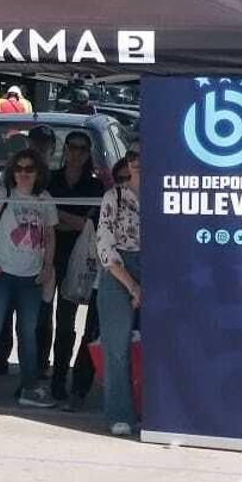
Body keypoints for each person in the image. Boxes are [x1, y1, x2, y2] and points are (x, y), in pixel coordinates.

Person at [0, 150, 58, 409]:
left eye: (29, 168)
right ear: (11, 171)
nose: (23, 173)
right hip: (1, 274)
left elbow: (50, 236)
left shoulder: (45, 199)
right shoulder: (1, 194)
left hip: (32, 276)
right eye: (18, 168)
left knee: (28, 334)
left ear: (38, 171)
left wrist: (48, 266)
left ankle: (28, 388)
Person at [0, 124, 58, 377]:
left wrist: (49, 264)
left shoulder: (54, 180)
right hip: (13, 259)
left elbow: (53, 224)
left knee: (41, 318)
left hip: (49, 258)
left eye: (44, 145)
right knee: (3, 318)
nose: (39, 149)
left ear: (52, 149)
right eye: (35, 144)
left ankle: (39, 367)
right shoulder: (12, 179)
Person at [50, 132, 104, 407]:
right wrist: (65, 220)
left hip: (84, 261)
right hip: (51, 256)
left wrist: (55, 214)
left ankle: (76, 383)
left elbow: (88, 225)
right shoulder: (51, 179)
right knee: (51, 323)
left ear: (88, 153)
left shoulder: (95, 187)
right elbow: (43, 220)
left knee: (80, 325)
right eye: (72, 147)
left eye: (83, 149)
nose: (76, 153)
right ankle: (54, 378)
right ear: (66, 149)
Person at [96, 151, 142, 437]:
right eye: (132, 156)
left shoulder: (166, 193)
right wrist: (132, 285)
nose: (137, 161)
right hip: (118, 269)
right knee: (116, 345)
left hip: (156, 265)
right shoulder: (114, 196)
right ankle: (119, 413)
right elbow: (105, 244)